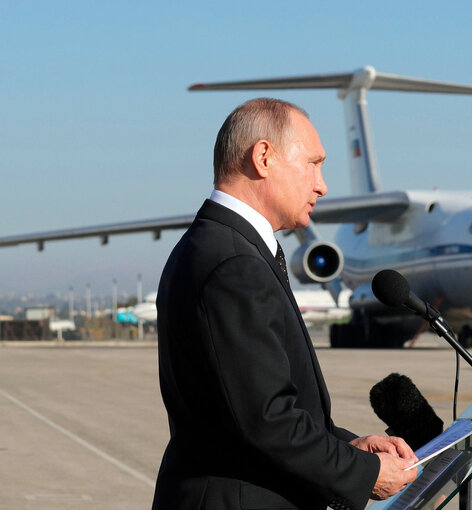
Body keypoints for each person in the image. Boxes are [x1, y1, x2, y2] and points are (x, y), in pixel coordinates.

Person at [152, 99, 417, 510]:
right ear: (263, 157)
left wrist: (350, 446)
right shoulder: (234, 263)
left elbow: (249, 410)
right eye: (313, 163)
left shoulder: (221, 246)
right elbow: (267, 420)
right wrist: (364, 474)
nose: (322, 185)